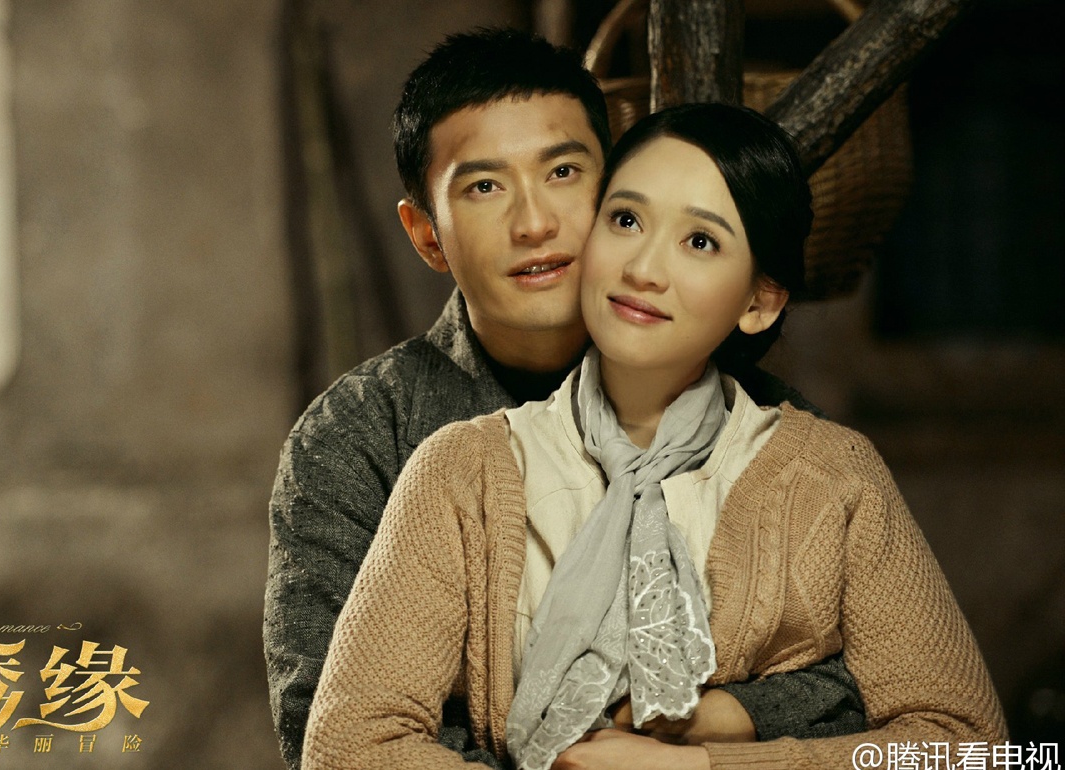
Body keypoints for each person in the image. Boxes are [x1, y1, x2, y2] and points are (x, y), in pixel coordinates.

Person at [301, 103, 1007, 770]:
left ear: (759, 302)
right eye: (626, 220)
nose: (642, 269)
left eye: (700, 242)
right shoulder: (464, 471)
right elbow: (349, 748)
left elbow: (965, 745)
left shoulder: (834, 476)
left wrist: (702, 763)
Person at [265, 29, 864, 770]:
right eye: (484, 187)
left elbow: (864, 685)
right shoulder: (357, 438)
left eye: (563, 172)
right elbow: (332, 730)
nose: (535, 223)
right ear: (426, 236)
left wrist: (728, 720)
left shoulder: (766, 425)